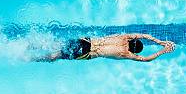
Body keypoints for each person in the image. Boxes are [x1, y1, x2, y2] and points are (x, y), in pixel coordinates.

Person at [37, 34, 175, 62]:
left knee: (57, 44)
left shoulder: (125, 36)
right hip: (87, 53)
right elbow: (145, 59)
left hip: (85, 41)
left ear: (134, 40)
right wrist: (163, 51)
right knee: (56, 56)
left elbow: (144, 35)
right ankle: (30, 58)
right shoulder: (125, 54)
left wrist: (160, 42)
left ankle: (30, 44)